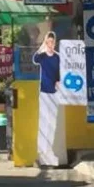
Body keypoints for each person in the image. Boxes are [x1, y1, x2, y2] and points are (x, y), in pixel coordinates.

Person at [32, 32, 61, 167]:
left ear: (54, 43)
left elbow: (60, 73)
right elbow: (35, 58)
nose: (50, 44)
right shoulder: (42, 57)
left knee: (52, 122)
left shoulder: (58, 57)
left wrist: (59, 82)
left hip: (54, 92)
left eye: (52, 42)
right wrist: (42, 46)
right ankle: (42, 149)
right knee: (44, 121)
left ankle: (49, 148)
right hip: (44, 92)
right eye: (48, 42)